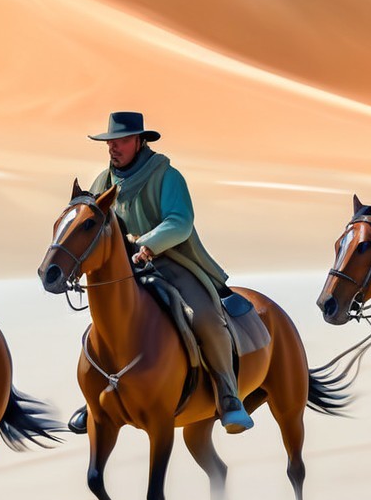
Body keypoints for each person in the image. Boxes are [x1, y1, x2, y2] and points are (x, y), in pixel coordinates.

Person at [68, 111, 254, 435]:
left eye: (122, 141)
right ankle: (95, 399)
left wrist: (148, 245)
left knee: (206, 318)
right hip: (124, 270)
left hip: (174, 263)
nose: (114, 148)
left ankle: (228, 397)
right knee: (105, 323)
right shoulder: (102, 182)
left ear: (140, 141)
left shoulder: (167, 176)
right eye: (110, 142)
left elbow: (179, 221)